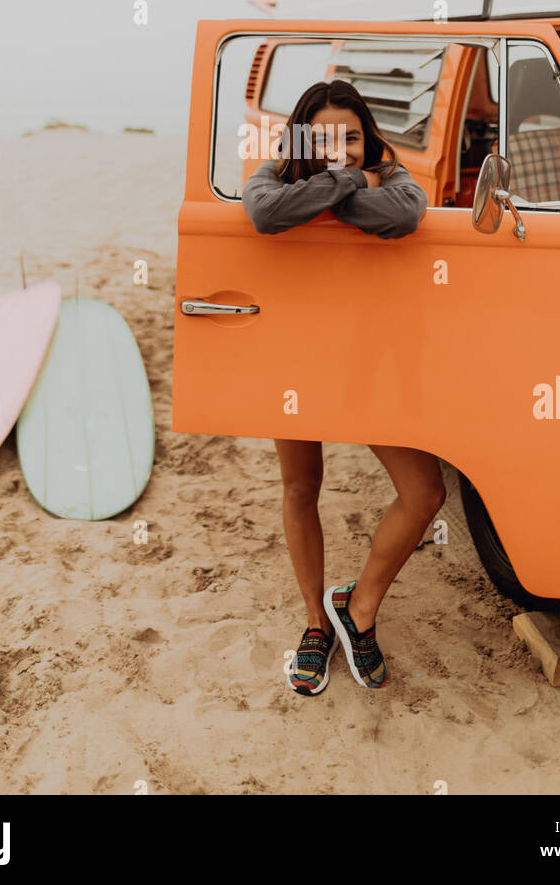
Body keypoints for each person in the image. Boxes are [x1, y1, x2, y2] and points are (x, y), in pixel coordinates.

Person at [242, 79, 446, 694]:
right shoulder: (272, 173)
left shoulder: (395, 172)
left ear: (369, 135)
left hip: (370, 355)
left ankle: (356, 607)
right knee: (302, 485)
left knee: (424, 492)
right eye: (325, 138)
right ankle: (314, 624)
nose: (341, 149)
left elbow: (406, 213)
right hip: (296, 354)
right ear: (302, 135)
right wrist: (351, 183)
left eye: (351, 138)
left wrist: (326, 195)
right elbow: (265, 212)